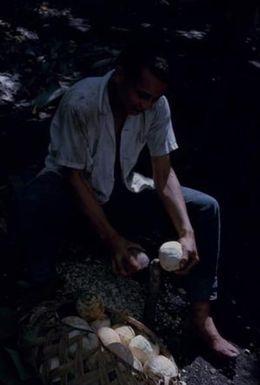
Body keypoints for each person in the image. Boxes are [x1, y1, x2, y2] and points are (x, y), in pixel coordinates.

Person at [16, 40, 239, 358]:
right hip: (70, 193)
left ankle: (202, 319)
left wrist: (186, 232)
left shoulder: (156, 107)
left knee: (206, 208)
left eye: (154, 98)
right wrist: (113, 240)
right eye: (142, 95)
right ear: (120, 75)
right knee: (34, 200)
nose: (147, 105)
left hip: (118, 190)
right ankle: (41, 297)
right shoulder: (81, 101)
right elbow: (73, 178)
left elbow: (163, 174)